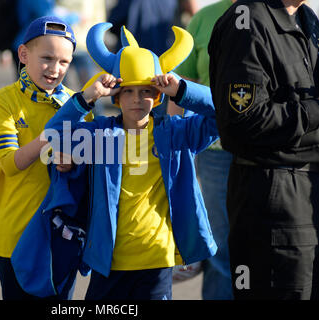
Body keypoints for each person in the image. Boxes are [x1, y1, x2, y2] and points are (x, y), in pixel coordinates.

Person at [44, 22, 218, 300]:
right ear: (116, 95)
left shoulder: (176, 133)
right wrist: (88, 96)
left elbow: (222, 115)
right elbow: (53, 135)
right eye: (128, 91)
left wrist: (182, 90)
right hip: (109, 260)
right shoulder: (99, 134)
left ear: (158, 95)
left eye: (146, 91)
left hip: (157, 260)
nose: (138, 99)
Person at [209, 0, 319, 299]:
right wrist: (313, 112)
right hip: (274, 197)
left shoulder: (307, 19)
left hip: (307, 191)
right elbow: (242, 121)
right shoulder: (247, 20)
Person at [0, 16, 91, 300]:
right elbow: (11, 163)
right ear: (23, 54)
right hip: (15, 233)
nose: (55, 69)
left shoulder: (76, 105)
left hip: (63, 236)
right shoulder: (1, 101)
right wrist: (57, 131)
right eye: (46, 58)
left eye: (64, 62)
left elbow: (90, 172)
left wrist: (75, 162)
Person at [171, 0, 235, 300]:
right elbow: (181, 86)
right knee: (221, 247)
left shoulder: (287, 16)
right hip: (216, 152)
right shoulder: (204, 19)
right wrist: (166, 146)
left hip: (270, 153)